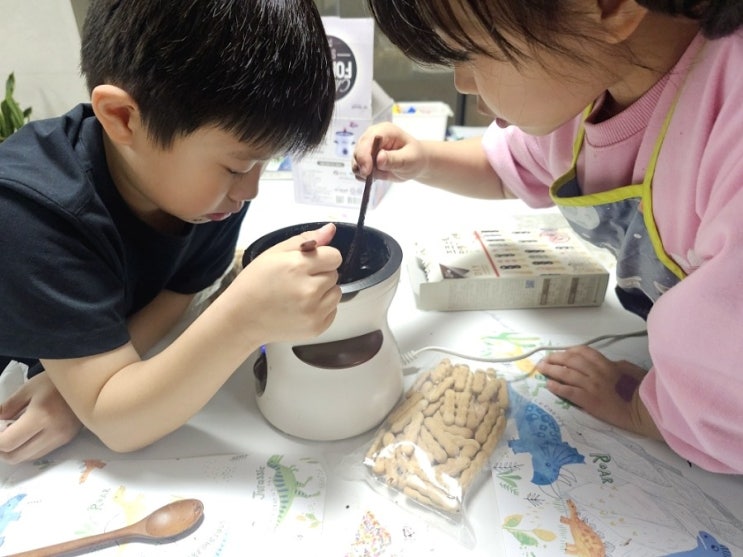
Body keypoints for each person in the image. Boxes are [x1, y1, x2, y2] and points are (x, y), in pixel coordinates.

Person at [353, 0, 743, 474]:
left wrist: (643, 407)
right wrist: (426, 160)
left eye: (469, 52)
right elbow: (506, 168)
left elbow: (729, 378)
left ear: (611, 7)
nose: (462, 82)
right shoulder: (587, 82)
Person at [0, 0, 342, 463]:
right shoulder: (33, 214)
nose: (250, 190)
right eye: (237, 166)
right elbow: (119, 427)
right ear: (122, 118)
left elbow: (180, 290)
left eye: (265, 162)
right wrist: (243, 318)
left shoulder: (207, 200)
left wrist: (85, 389)